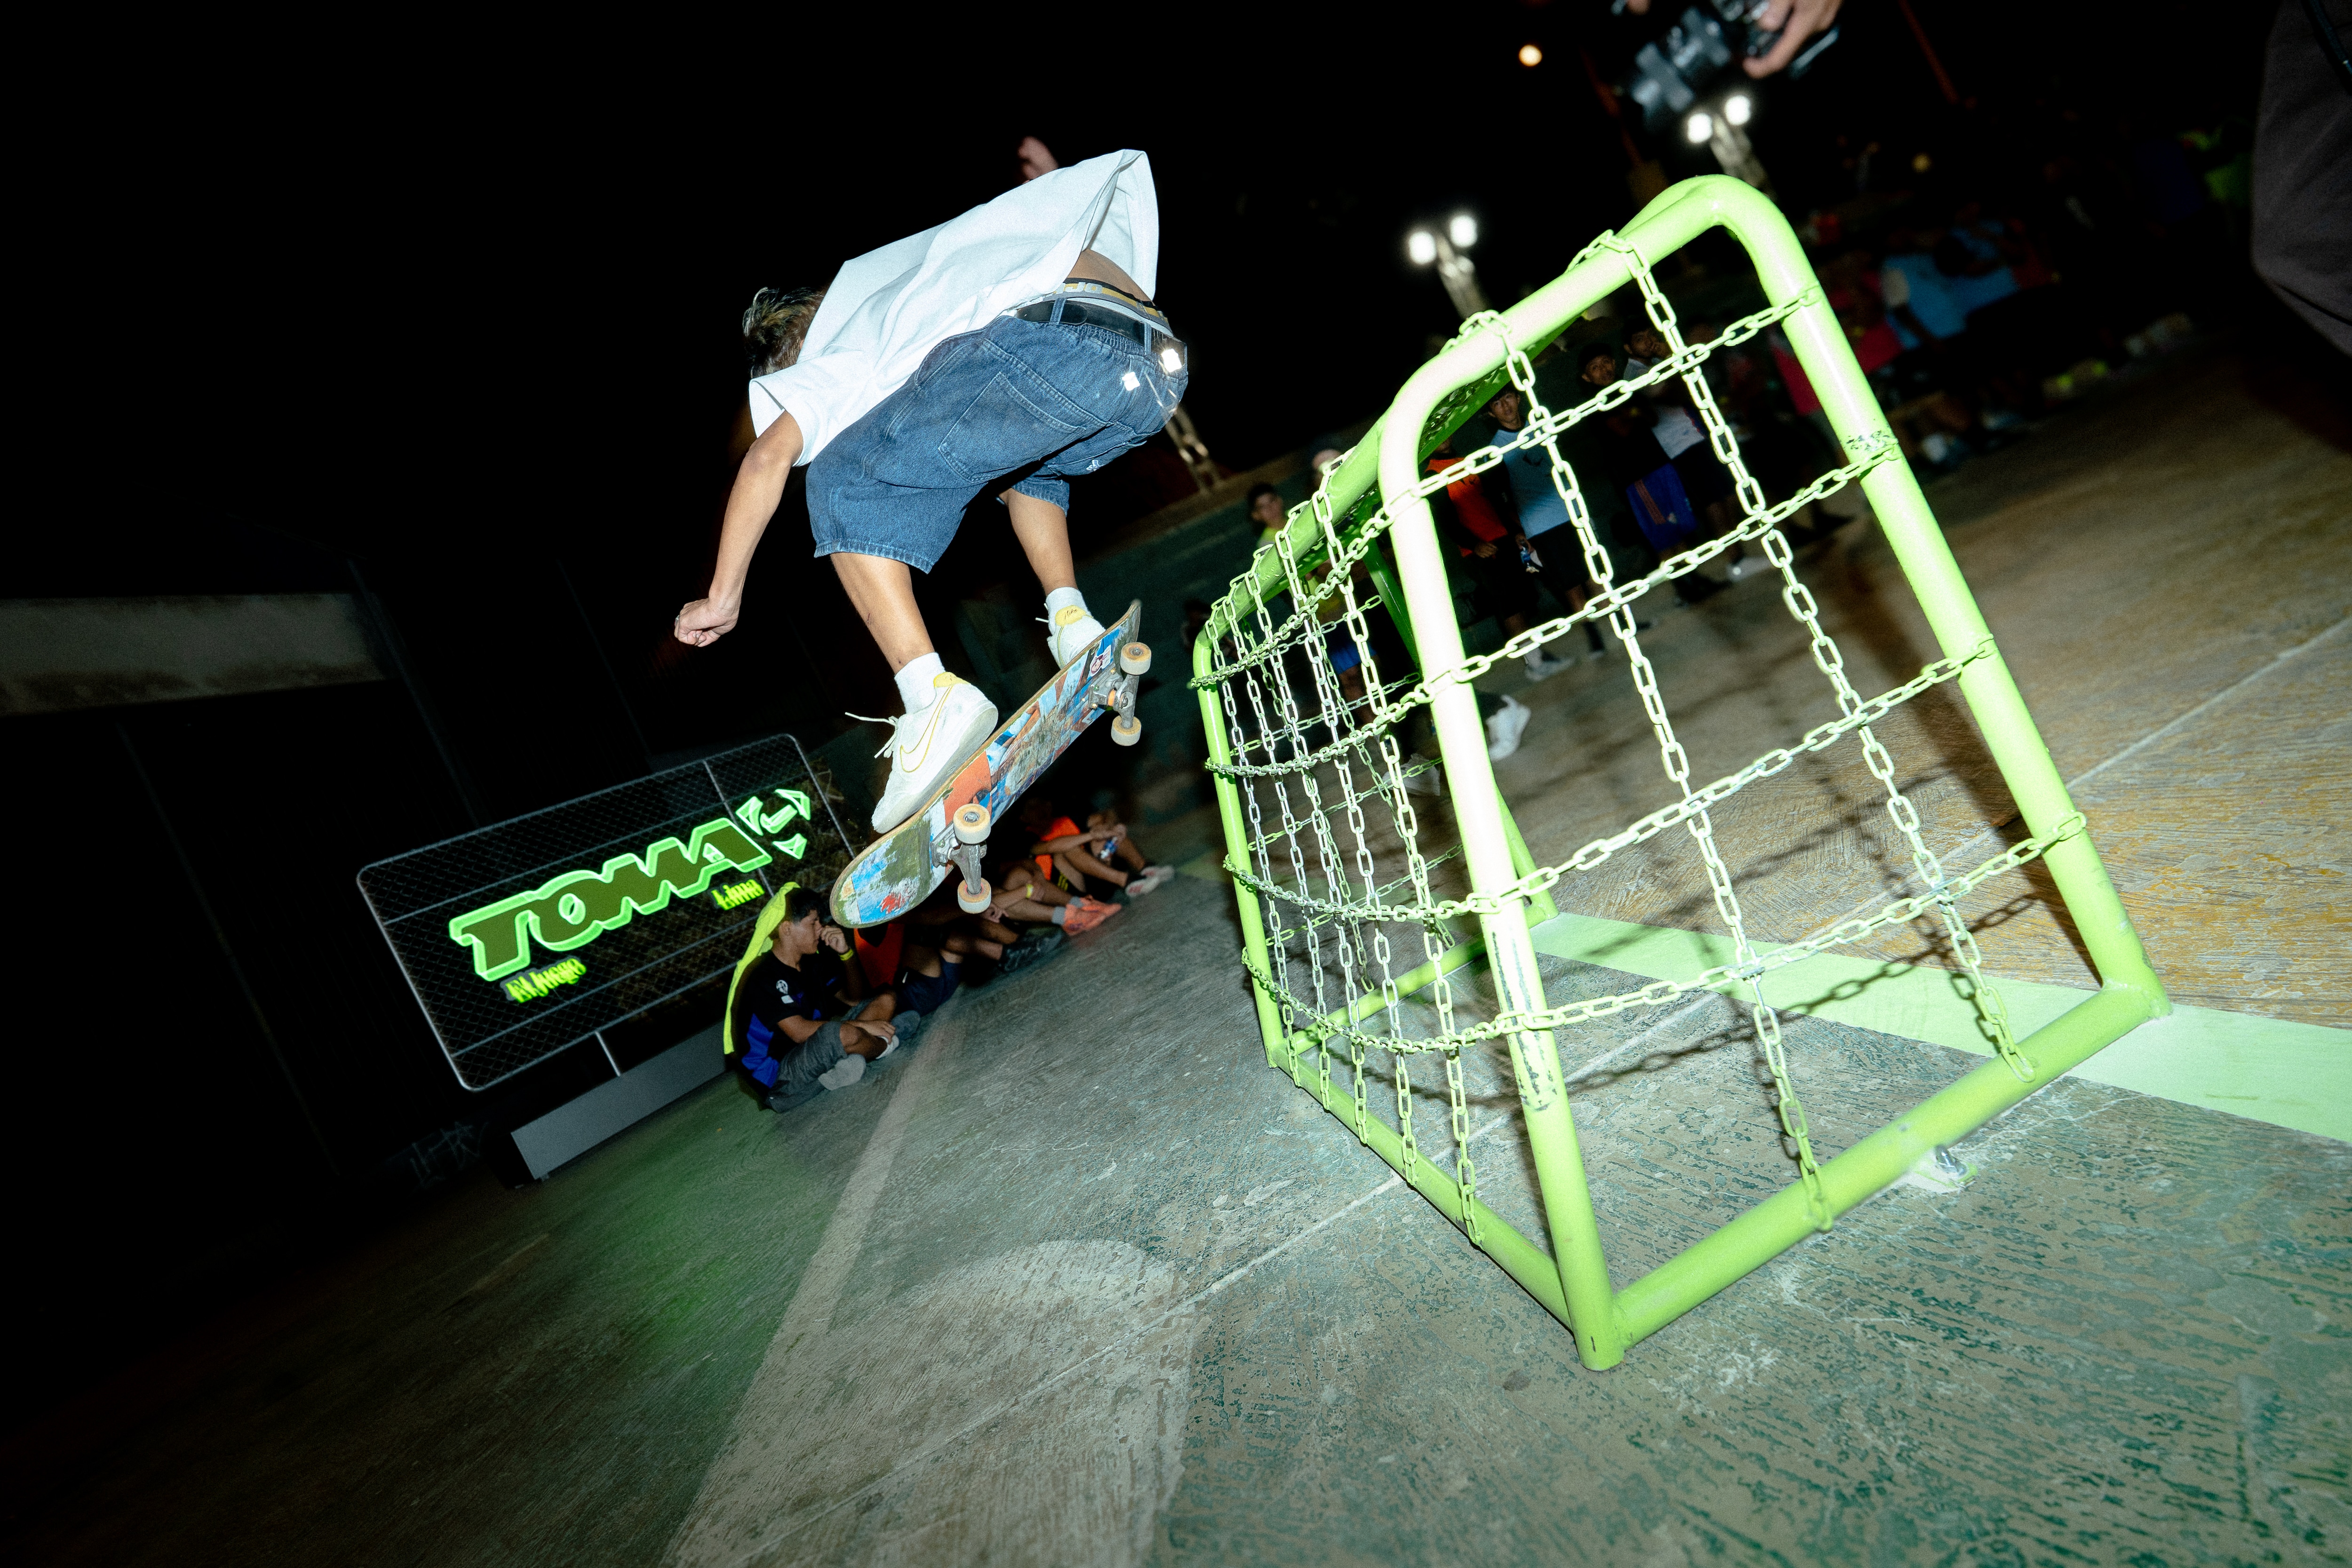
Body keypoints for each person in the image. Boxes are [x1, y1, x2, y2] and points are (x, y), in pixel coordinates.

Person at [673, 149, 1188, 835]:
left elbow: (769, 458)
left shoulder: (831, 351)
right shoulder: (912, 295)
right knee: (1020, 463)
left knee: (840, 481)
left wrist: (724, 592)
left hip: (1054, 345)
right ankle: (1072, 624)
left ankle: (929, 696)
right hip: (1149, 367)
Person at [726, 886, 906, 1106]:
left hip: (814, 1049)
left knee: (886, 998)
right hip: (778, 1076)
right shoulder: (761, 977)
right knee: (836, 1034)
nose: (821, 929)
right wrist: (866, 1027)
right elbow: (800, 1033)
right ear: (786, 929)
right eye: (813, 923)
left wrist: (845, 953)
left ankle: (855, 1054)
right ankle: (884, 1044)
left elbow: (855, 999)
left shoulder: (812, 962)